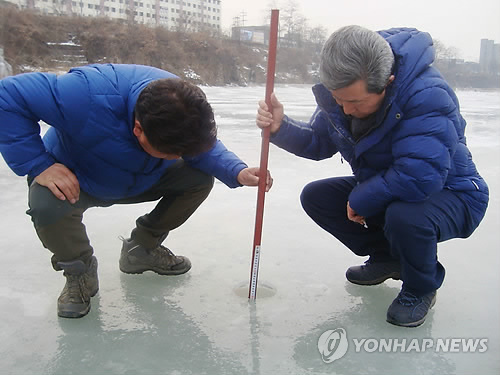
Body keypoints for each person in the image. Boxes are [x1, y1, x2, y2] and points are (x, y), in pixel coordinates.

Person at [256, 26, 488, 327]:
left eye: (355, 102)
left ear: (387, 83)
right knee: (318, 197)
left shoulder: (427, 95)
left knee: (404, 215)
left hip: (453, 192)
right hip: (394, 186)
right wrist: (280, 127)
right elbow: (320, 141)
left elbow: (421, 175)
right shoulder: (342, 90)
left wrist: (362, 197)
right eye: (339, 100)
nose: (346, 110)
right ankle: (386, 257)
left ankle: (421, 287)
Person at [0, 63, 272, 319]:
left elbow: (197, 145)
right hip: (78, 179)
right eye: (170, 153)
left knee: (199, 177)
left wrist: (237, 170)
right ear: (138, 129)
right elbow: (8, 95)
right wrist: (39, 164)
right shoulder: (84, 94)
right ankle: (78, 272)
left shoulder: (183, 104)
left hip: (140, 178)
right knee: (45, 202)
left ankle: (141, 249)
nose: (178, 157)